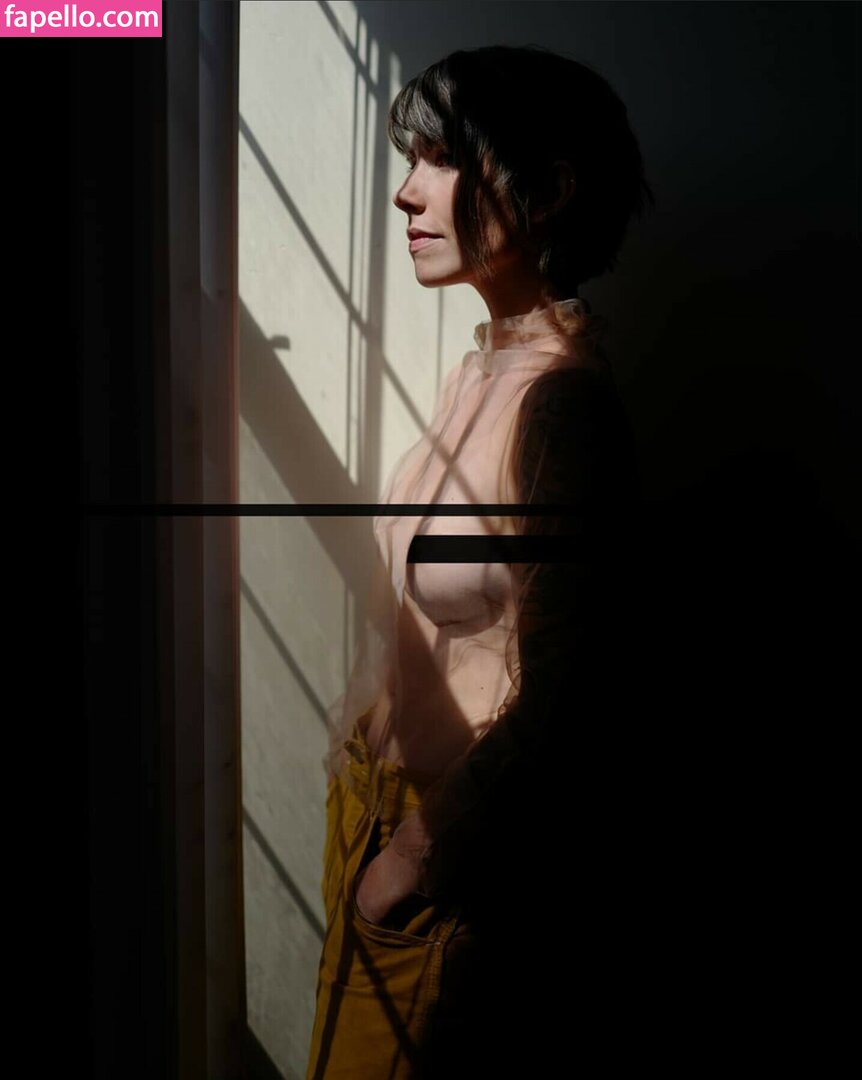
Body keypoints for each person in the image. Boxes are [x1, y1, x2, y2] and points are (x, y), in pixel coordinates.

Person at [305, 43, 654, 1079]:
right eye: (408, 159)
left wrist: (412, 863)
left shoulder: (562, 405)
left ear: (546, 190)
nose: (406, 192)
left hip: (452, 862)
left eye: (441, 159)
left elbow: (570, 696)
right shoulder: (480, 373)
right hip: (380, 815)